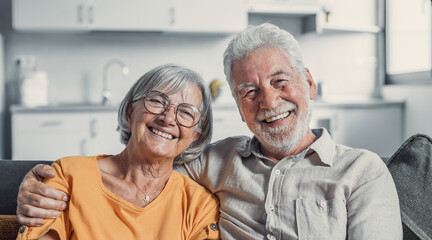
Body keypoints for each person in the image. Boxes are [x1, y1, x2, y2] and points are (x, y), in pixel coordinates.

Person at [16, 23, 402, 239]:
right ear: (238, 106)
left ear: (309, 84)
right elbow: (137, 172)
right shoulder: (216, 161)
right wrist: (31, 182)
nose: (268, 102)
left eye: (280, 82)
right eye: (249, 92)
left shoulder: (362, 172)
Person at [16, 64, 220, 239]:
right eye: (157, 101)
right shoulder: (68, 175)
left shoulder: (199, 206)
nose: (167, 118)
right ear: (130, 112)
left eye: (185, 112)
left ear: (195, 136)